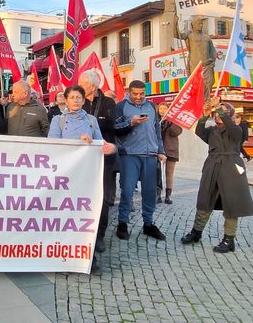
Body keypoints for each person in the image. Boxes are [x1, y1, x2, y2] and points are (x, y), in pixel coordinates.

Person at [48, 85, 110, 276]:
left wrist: (94, 143)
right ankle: (62, 258)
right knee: (64, 217)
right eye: (72, 97)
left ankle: (88, 258)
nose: (75, 100)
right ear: (65, 100)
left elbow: (101, 144)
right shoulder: (58, 121)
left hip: (86, 176)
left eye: (79, 97)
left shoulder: (91, 120)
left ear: (84, 100)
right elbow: (52, 146)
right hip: (65, 176)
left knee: (84, 218)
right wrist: (75, 144)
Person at [181, 99, 253, 253]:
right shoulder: (212, 131)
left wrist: (220, 107)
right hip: (212, 166)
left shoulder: (237, 129)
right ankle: (196, 233)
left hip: (231, 169)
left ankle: (229, 240)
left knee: (232, 204)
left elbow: (231, 129)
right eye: (216, 113)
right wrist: (205, 115)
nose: (217, 116)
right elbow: (199, 131)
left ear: (229, 115)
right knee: (205, 199)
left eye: (221, 113)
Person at [114, 80, 167, 241]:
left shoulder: (151, 106)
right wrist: (131, 123)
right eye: (135, 94)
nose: (138, 97)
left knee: (150, 192)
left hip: (150, 155)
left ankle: (148, 224)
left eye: (141, 93)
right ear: (129, 92)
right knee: (128, 190)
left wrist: (161, 151)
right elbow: (115, 129)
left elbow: (156, 130)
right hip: (129, 155)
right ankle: (122, 223)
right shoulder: (121, 106)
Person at [78, 70, 118, 253]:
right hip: (81, 160)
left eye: (82, 84)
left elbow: (116, 128)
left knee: (101, 199)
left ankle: (99, 235)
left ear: (92, 87)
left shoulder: (109, 103)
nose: (79, 87)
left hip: (103, 159)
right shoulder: (78, 102)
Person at [157, 102, 182, 204]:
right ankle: (157, 194)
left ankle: (168, 195)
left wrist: (170, 122)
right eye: (160, 108)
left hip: (171, 150)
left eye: (165, 108)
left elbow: (177, 132)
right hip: (158, 150)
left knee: (169, 173)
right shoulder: (155, 120)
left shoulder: (174, 120)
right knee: (157, 172)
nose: (162, 110)